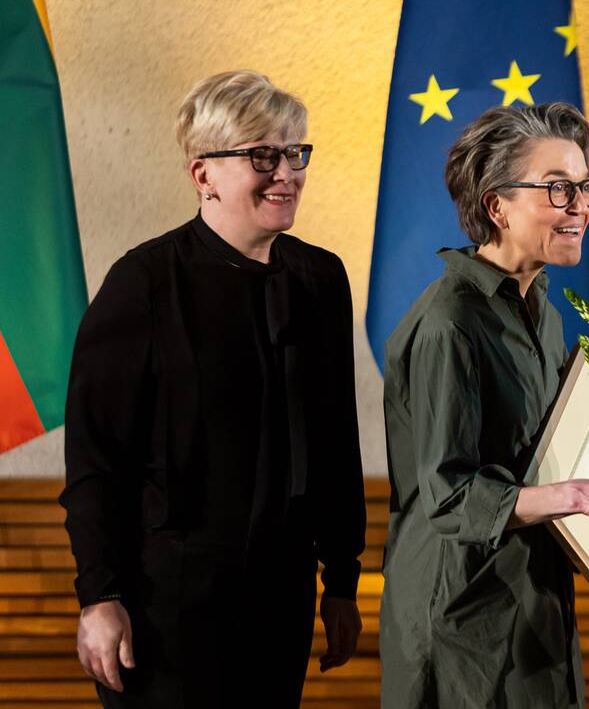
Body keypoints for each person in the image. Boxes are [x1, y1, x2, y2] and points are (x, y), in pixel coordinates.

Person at [379, 102, 589, 709]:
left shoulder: (549, 318)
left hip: (535, 607)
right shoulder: (450, 323)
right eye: (559, 188)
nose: (582, 206)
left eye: (585, 187)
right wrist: (581, 497)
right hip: (460, 621)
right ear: (496, 206)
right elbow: (452, 496)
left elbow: (560, 468)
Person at [60, 70, 366, 708]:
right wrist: (99, 596)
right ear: (204, 175)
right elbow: (96, 461)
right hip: (164, 608)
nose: (287, 172)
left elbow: (338, 442)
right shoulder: (143, 284)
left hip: (280, 603)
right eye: (263, 155)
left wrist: (342, 582)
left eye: (295, 152)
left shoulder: (321, 279)